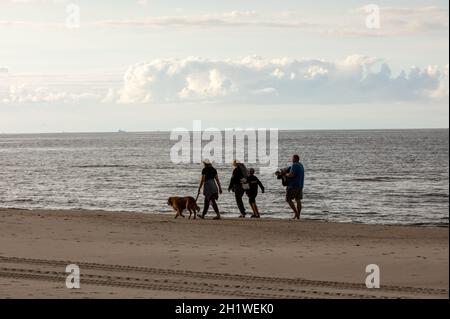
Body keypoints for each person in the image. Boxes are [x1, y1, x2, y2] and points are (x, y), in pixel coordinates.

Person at [284, 155, 305, 220]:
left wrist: (285, 174)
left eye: (292, 158)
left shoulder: (294, 165)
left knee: (288, 199)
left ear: (295, 159)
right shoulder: (301, 165)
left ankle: (296, 214)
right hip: (300, 185)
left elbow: (291, 174)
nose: (292, 160)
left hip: (293, 186)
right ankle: (298, 216)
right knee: (298, 200)